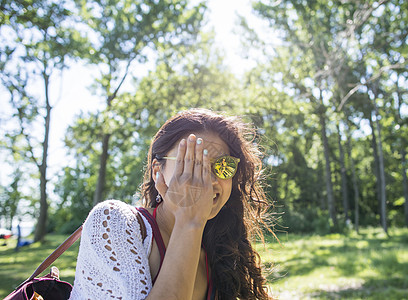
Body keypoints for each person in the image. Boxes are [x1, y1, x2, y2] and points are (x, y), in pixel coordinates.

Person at [70, 109, 275, 300]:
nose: (207, 179)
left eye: (223, 166)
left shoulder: (220, 252)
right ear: (158, 171)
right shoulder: (112, 221)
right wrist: (189, 221)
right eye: (191, 163)